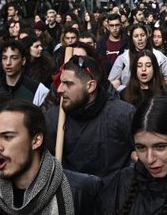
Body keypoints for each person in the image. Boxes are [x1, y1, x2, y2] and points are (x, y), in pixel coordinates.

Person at [45, 54, 134, 184]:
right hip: (69, 198)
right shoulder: (53, 118)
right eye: (60, 82)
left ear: (91, 86)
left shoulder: (123, 115)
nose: (59, 89)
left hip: (114, 198)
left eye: (68, 83)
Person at [109, 23, 167, 92]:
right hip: (130, 100)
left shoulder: (158, 56)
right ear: (132, 39)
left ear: (147, 36)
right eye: (136, 36)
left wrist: (162, 93)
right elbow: (111, 84)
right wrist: (125, 90)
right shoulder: (123, 58)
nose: (140, 38)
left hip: (153, 100)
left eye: (142, 35)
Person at [0, 40, 49, 107]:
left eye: (14, 58)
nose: (8, 63)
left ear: (23, 61)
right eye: (4, 58)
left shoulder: (37, 90)